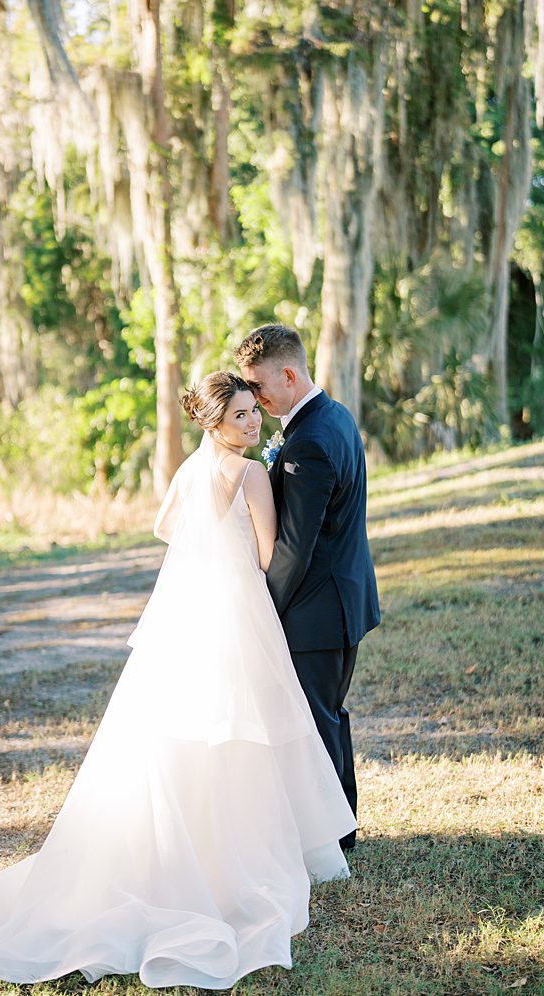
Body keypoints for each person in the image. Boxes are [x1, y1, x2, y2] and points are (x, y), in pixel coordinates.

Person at [0, 372, 356, 989]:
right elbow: (267, 556)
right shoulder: (254, 474)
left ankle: (196, 847)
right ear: (215, 422)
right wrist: (232, 546)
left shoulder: (188, 470)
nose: (253, 423)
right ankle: (237, 857)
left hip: (188, 611)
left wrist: (205, 547)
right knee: (244, 728)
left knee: (194, 728)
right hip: (238, 610)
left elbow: (163, 526)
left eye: (252, 413)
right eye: (239, 416)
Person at [234, 325, 379, 853]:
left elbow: (295, 547)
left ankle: (332, 838)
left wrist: (261, 610)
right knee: (326, 716)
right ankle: (339, 830)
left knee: (315, 722)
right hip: (340, 601)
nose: (253, 397)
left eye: (258, 384)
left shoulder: (311, 442)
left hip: (317, 609)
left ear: (289, 375)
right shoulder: (332, 415)